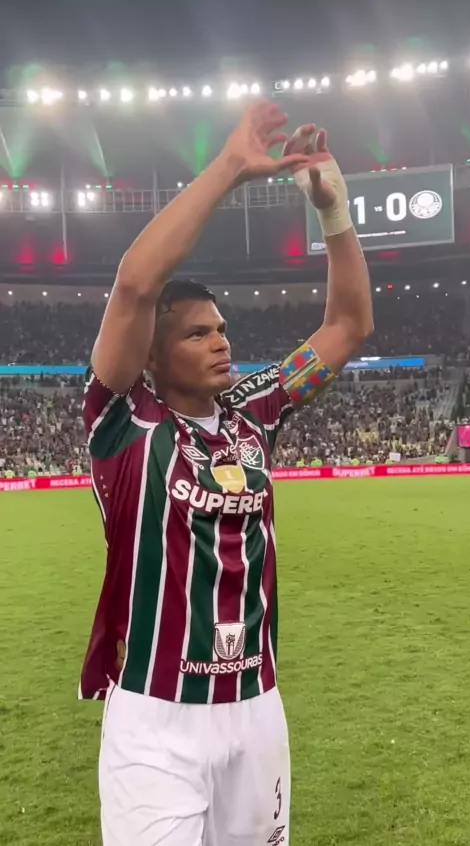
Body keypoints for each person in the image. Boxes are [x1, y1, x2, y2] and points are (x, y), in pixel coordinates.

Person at [80, 101, 373, 846]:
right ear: (152, 355)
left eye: (222, 329)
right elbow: (136, 283)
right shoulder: (123, 421)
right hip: (156, 717)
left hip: (255, 708)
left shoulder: (253, 414)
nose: (221, 342)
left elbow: (348, 327)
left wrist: (334, 211)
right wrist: (231, 168)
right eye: (197, 334)